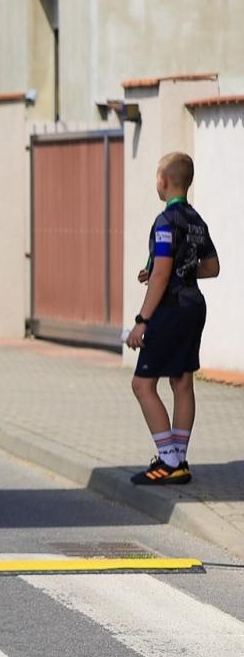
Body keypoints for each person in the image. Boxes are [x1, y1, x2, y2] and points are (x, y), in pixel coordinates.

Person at [125, 151, 221, 485]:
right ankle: (179, 458)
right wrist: (168, 270)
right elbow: (211, 267)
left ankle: (167, 460)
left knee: (142, 384)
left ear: (163, 181)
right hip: (194, 306)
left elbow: (163, 273)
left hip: (171, 309)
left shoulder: (165, 221)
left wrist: (142, 320)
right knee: (182, 381)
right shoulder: (196, 219)